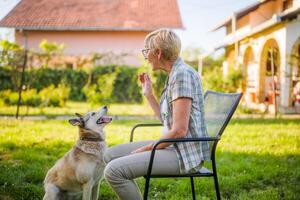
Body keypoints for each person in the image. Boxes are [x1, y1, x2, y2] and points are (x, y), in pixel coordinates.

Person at [103, 29, 210, 200]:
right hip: (173, 146)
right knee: (109, 155)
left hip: (184, 154)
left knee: (114, 171)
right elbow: (168, 121)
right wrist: (149, 94)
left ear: (158, 53)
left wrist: (147, 149)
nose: (145, 56)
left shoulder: (182, 75)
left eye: (147, 51)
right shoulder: (175, 73)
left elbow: (179, 131)